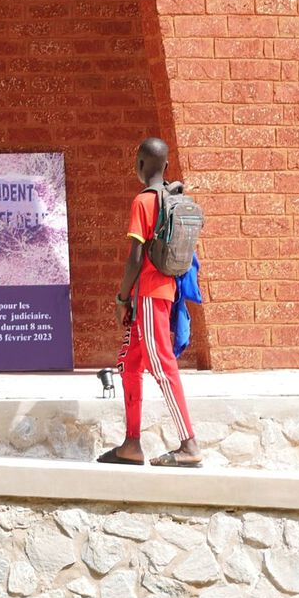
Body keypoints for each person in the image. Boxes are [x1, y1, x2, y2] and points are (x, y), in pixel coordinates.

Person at [99, 137, 202, 467]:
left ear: (140, 165)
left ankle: (189, 444)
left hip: (148, 294)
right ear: (166, 166)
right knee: (130, 363)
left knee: (160, 364)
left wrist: (121, 298)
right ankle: (131, 444)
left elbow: (135, 258)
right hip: (165, 290)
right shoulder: (172, 197)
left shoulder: (143, 201)